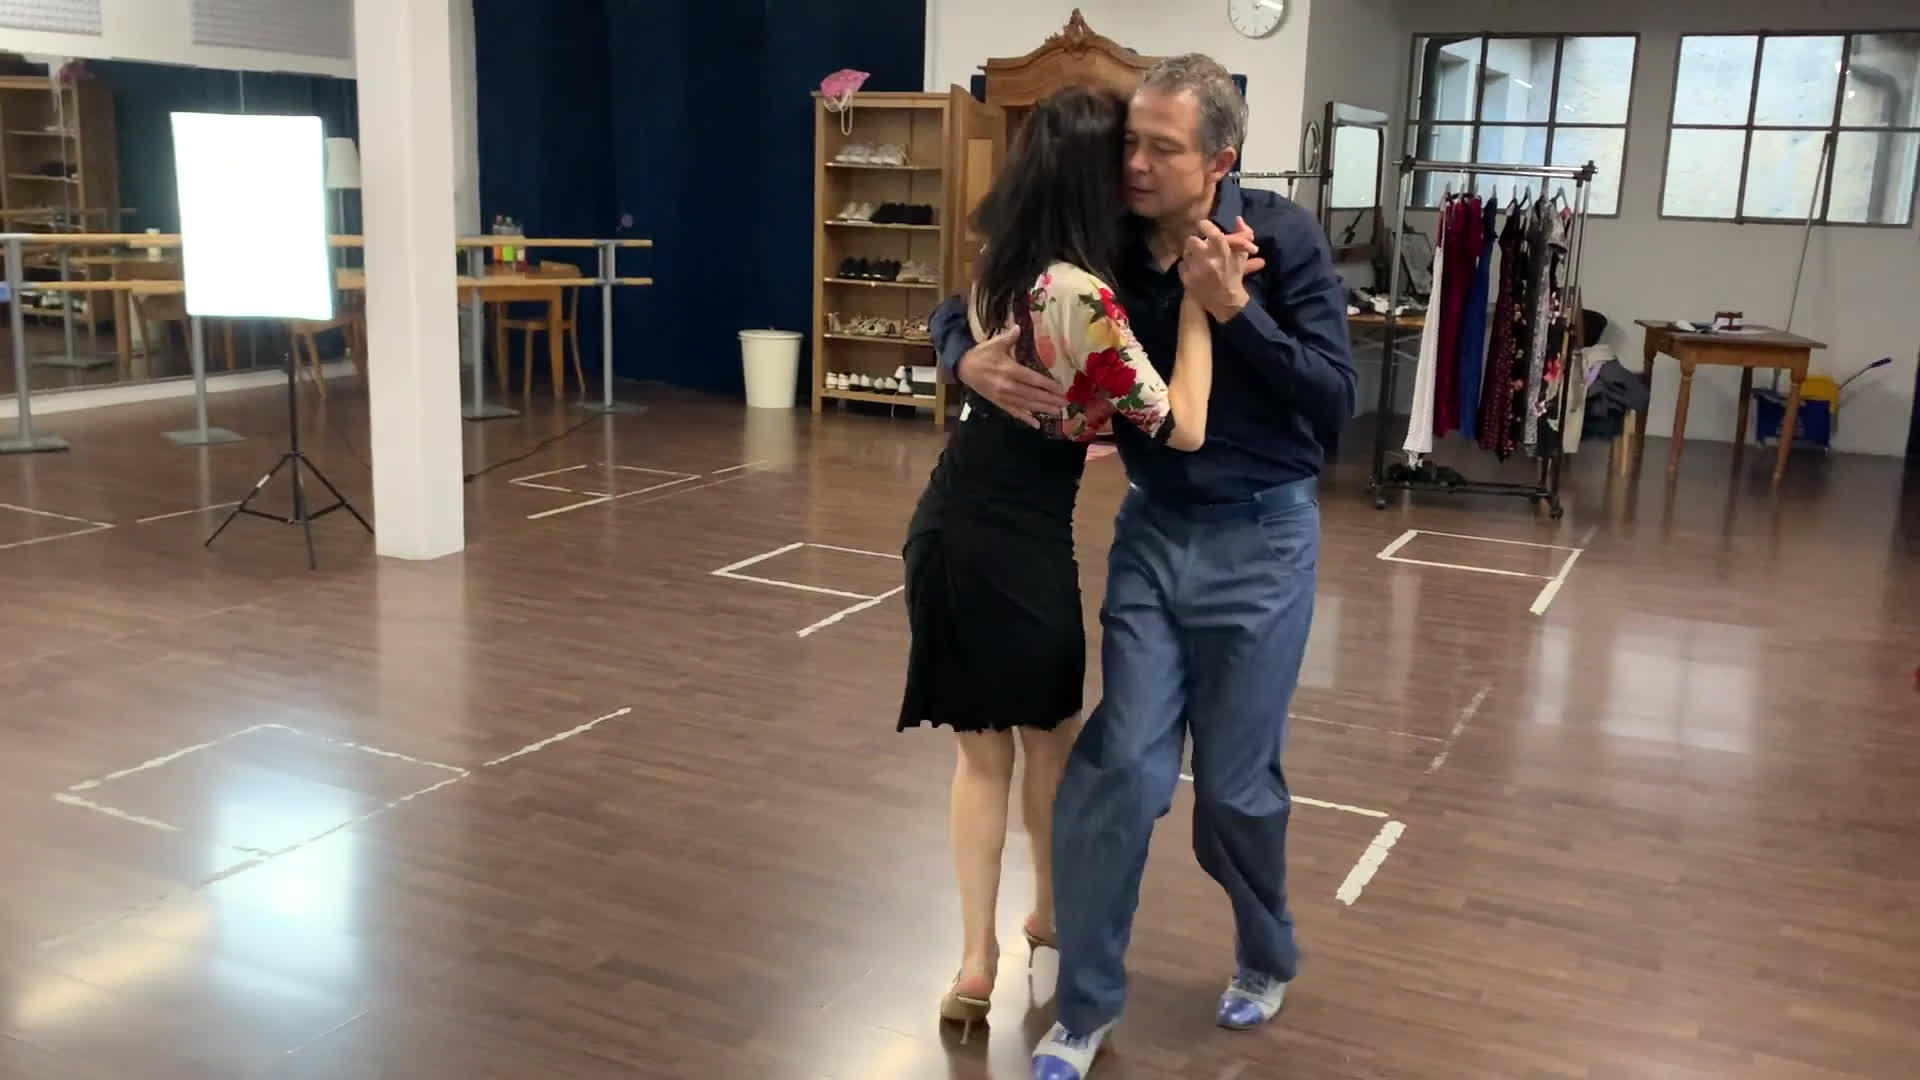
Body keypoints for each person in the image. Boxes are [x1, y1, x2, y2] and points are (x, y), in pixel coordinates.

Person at [928, 55, 1355, 1080]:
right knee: (1118, 770)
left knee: (1237, 793)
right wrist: (961, 355)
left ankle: (1266, 950)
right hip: (1155, 535)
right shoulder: (1105, 241)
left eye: (1163, 148)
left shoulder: (1283, 239)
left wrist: (1237, 311)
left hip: (1264, 542)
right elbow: (983, 288)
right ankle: (1083, 1008)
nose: (1136, 164)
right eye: (1131, 142)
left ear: (1220, 161)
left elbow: (1333, 403)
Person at [897, 85, 1231, 1043]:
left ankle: (977, 961)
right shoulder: (1077, 292)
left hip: (947, 523)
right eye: (1123, 152)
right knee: (1050, 742)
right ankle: (1045, 913)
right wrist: (1200, 310)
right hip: (1018, 543)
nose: (1137, 168)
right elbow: (1184, 426)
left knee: (980, 753)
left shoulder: (1002, 266)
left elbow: (972, 337)